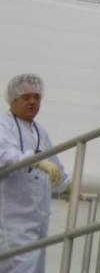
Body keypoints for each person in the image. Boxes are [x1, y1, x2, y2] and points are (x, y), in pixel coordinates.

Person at [0, 74, 69, 273]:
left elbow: (54, 165)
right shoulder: (4, 126)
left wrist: (67, 185)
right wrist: (36, 161)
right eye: (26, 97)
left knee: (34, 267)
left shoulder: (39, 130)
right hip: (12, 219)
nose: (33, 101)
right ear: (13, 99)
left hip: (37, 218)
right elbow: (5, 155)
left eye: (37, 97)